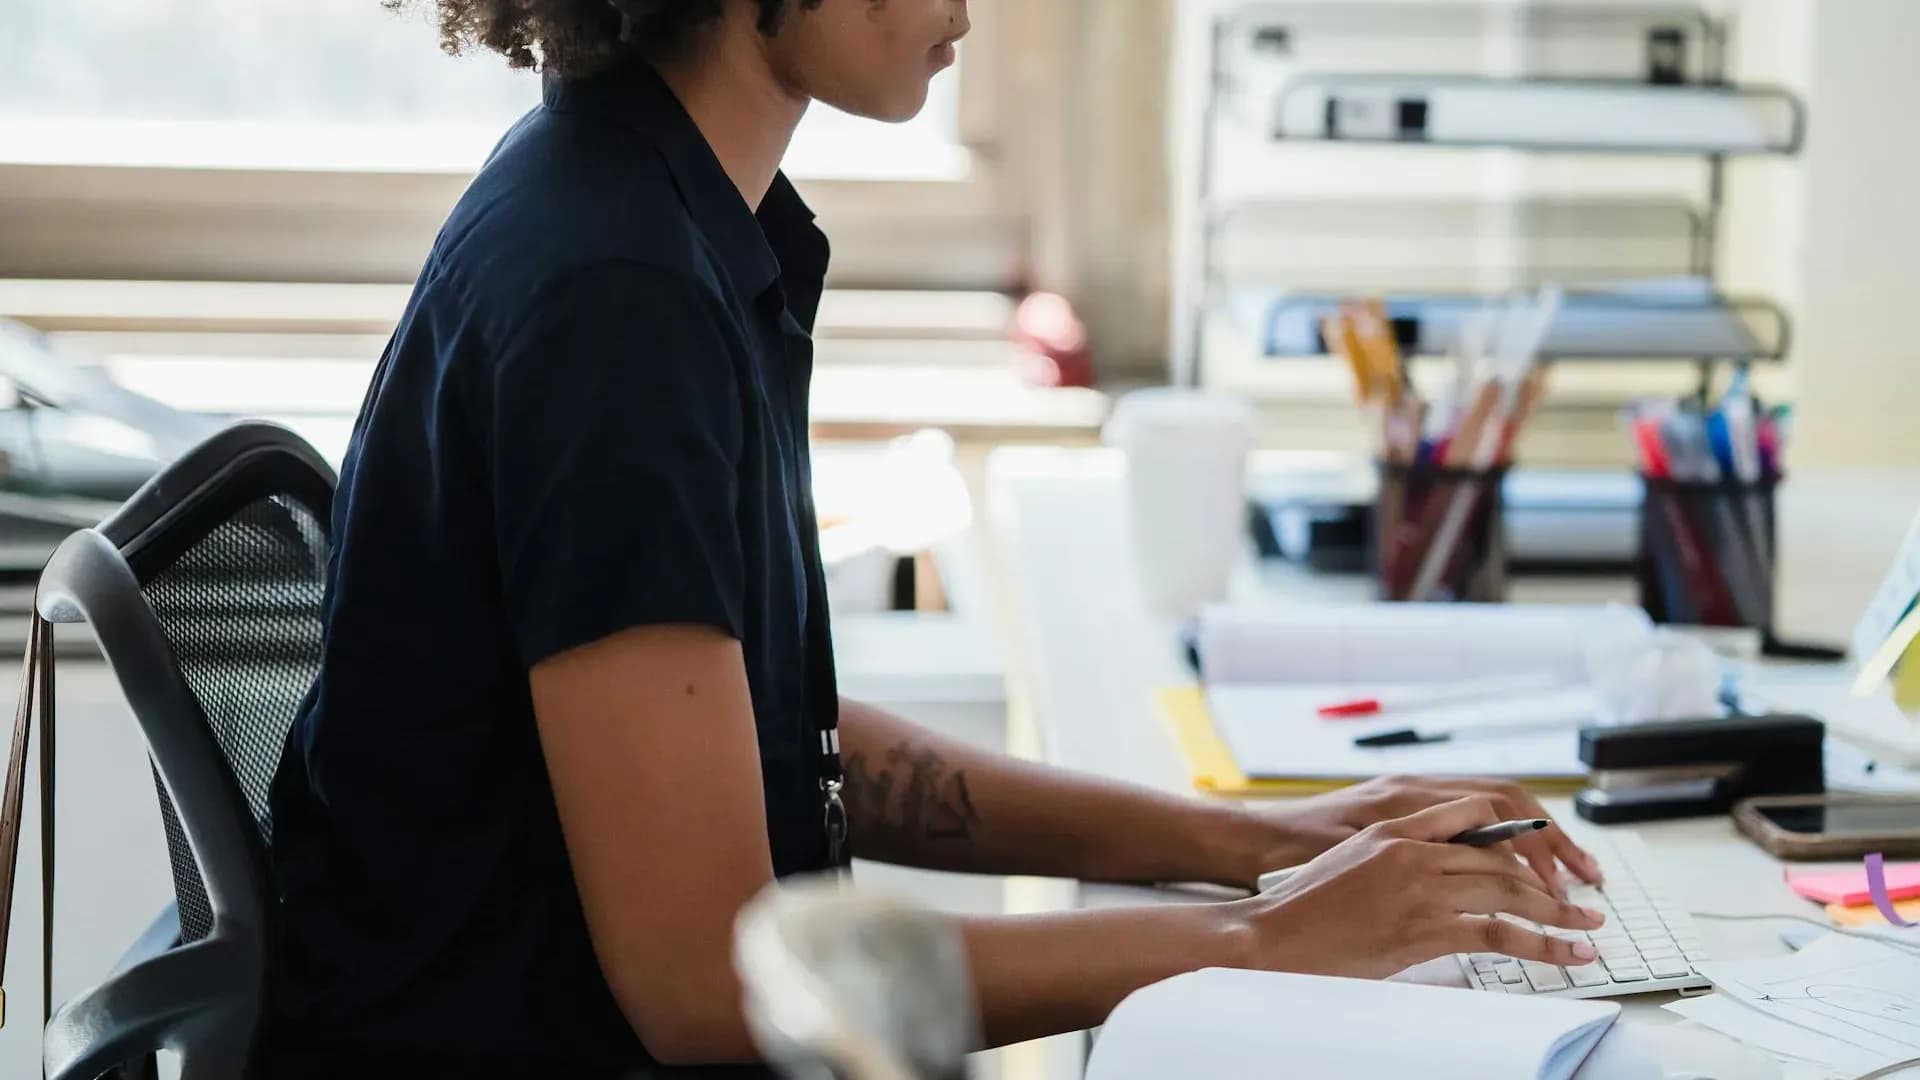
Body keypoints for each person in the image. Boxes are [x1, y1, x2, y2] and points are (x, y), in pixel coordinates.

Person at [263, 1, 1609, 1075]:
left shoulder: (649, 208)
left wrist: (1254, 844)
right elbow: (711, 982)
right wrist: (1262, 940)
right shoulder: (617, 297)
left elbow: (774, 747)